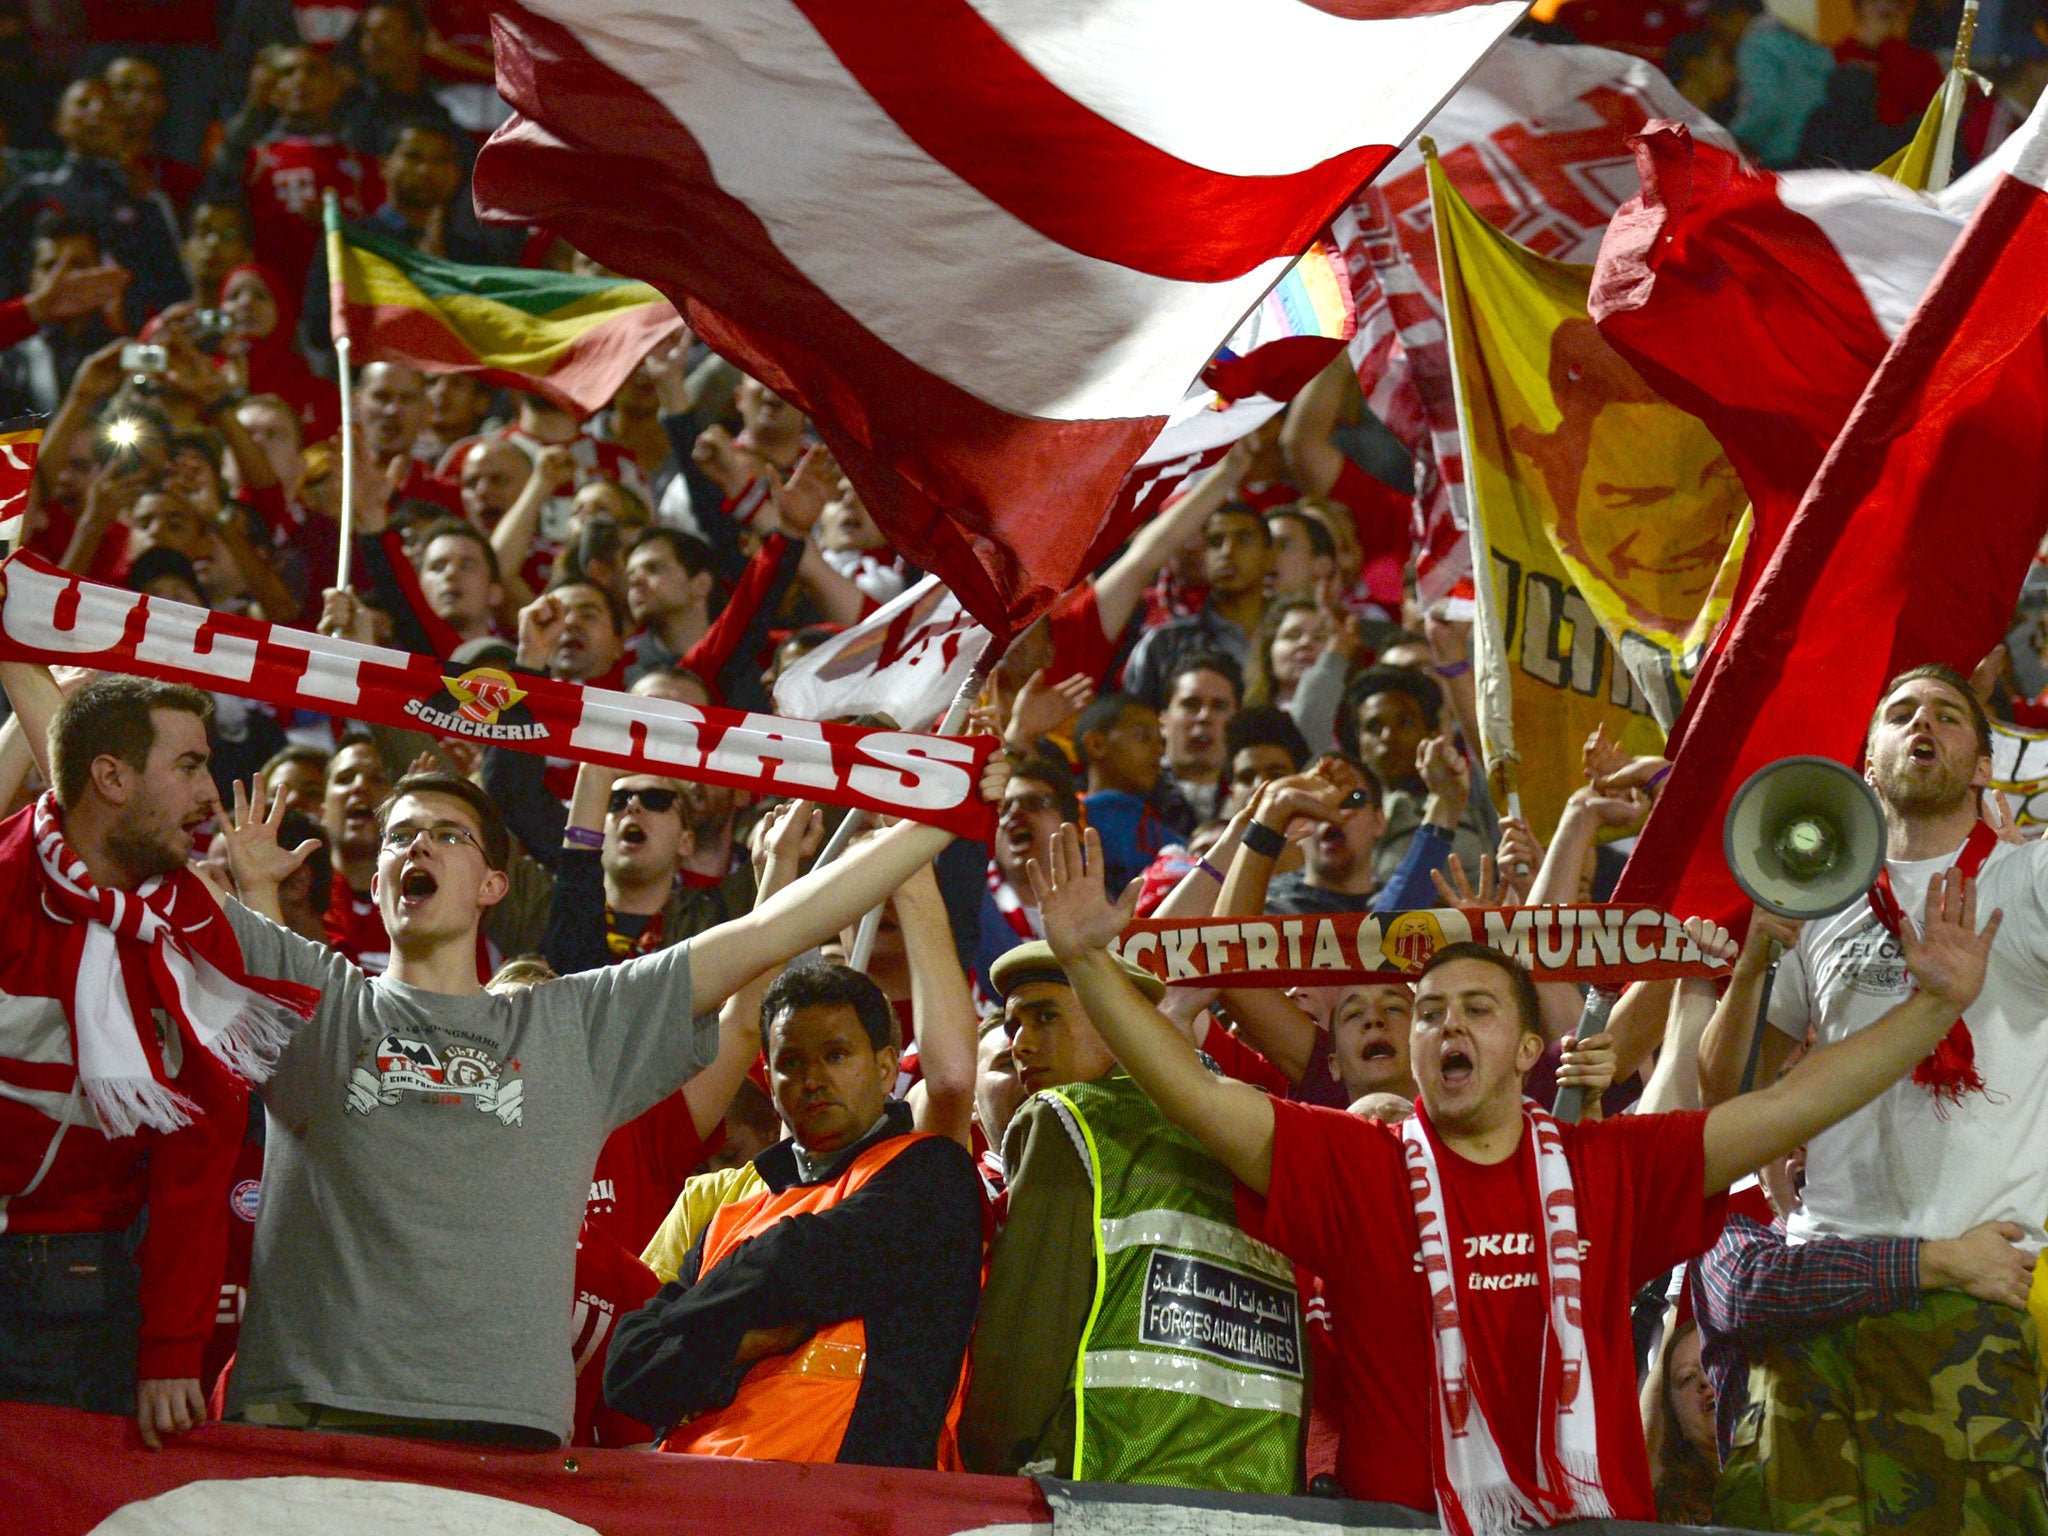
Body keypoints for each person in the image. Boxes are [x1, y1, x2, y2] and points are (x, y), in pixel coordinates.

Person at [1022, 819, 2001, 1527]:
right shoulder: (1351, 1164)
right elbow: (1194, 1097)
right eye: (1428, 1012)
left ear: (1530, 1045)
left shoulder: (1606, 1167)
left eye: (1475, 1009)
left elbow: (1788, 1106)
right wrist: (1089, 968)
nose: (1445, 1024)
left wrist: (1925, 1011)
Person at [1696, 663, 2048, 1534]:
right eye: (1899, 714)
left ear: (1979, 763)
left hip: (1971, 1281)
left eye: (1947, 716)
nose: (1921, 724)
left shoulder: (2029, 880)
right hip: (1823, 1283)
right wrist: (1754, 954)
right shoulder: (1821, 901)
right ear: (1869, 757)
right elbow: (1728, 1092)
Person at [0, 672, 315, 1450]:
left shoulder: (193, 931)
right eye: (188, 767)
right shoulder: (4, 883)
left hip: (79, 1287)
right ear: (111, 777)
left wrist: (172, 1350)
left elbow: (198, 1157)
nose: (211, 793)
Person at [603, 962, 984, 1468]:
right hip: (695, 1496)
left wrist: (688, 1323)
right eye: (791, 1062)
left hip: (851, 1508)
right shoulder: (730, 1216)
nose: (812, 1080)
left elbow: (797, 1261)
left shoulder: (932, 1173)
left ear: (887, 1066)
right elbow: (627, 1373)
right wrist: (746, 1340)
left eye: (836, 1054)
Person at [962, 939, 1306, 1491]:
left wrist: (988, 1452)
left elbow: (1029, 1326)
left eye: (1045, 1017)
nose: (1022, 1045)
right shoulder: (1254, 1125)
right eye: (1013, 1027)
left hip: (1106, 1480)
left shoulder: (1066, 1118)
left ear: (1118, 1022)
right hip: (1267, 1488)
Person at [1342, 664, 1493, 883]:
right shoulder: (1348, 815)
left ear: (1432, 732)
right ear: (1358, 744)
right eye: (1374, 727)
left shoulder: (1473, 795)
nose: (1387, 737)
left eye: (1404, 723)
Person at [1121, 502, 1275, 709]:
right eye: (1215, 542)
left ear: (1270, 556)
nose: (1227, 552)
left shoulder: (1299, 635)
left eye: (1244, 540)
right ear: (1203, 558)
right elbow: (1137, 722)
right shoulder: (1164, 645)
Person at [1155, 653, 1239, 828]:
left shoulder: (1250, 802)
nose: (1204, 716)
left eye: (1219, 706)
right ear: (1163, 722)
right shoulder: (1132, 797)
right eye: (1190, 704)